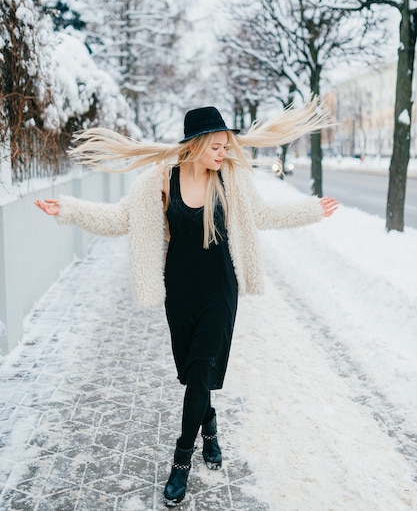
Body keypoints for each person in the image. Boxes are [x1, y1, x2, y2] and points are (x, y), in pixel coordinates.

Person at [35, 101, 338, 507]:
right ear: (195, 145)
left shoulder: (230, 179)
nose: (224, 153)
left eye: (226, 146)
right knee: (192, 371)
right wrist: (69, 209)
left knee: (201, 370)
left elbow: (262, 214)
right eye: (216, 146)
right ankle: (208, 425)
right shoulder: (160, 180)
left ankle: (181, 462)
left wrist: (311, 209)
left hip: (219, 289)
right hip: (179, 291)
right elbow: (120, 219)